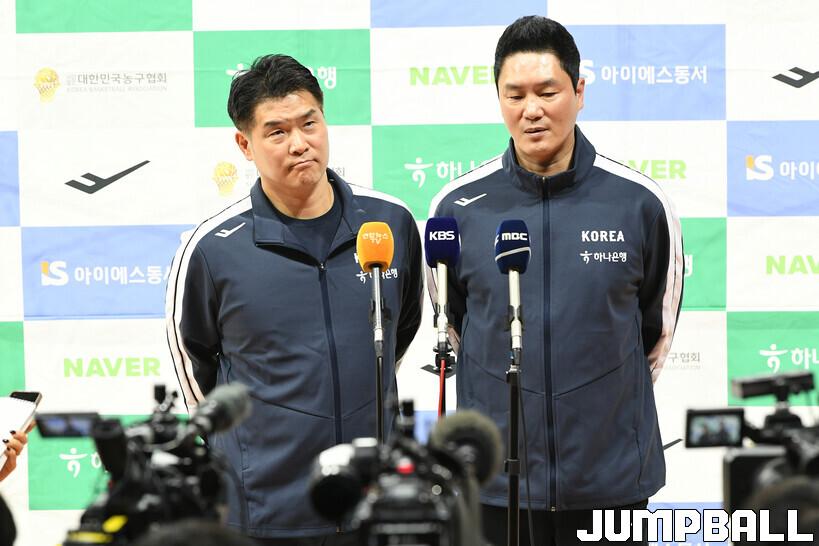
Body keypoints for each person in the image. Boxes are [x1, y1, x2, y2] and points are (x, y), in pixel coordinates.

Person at [428, 16, 683, 546]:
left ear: (579, 91)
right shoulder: (455, 208)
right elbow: (455, 327)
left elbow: (653, 336)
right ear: (499, 98)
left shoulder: (640, 202)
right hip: (497, 486)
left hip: (609, 478)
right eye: (515, 95)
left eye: (547, 92)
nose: (532, 109)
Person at [166, 54, 423, 544]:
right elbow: (196, 373)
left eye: (309, 123)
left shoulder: (389, 223)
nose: (300, 143)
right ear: (245, 145)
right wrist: (248, 449)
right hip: (264, 507)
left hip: (375, 501)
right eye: (277, 132)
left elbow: (398, 332)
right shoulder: (212, 248)